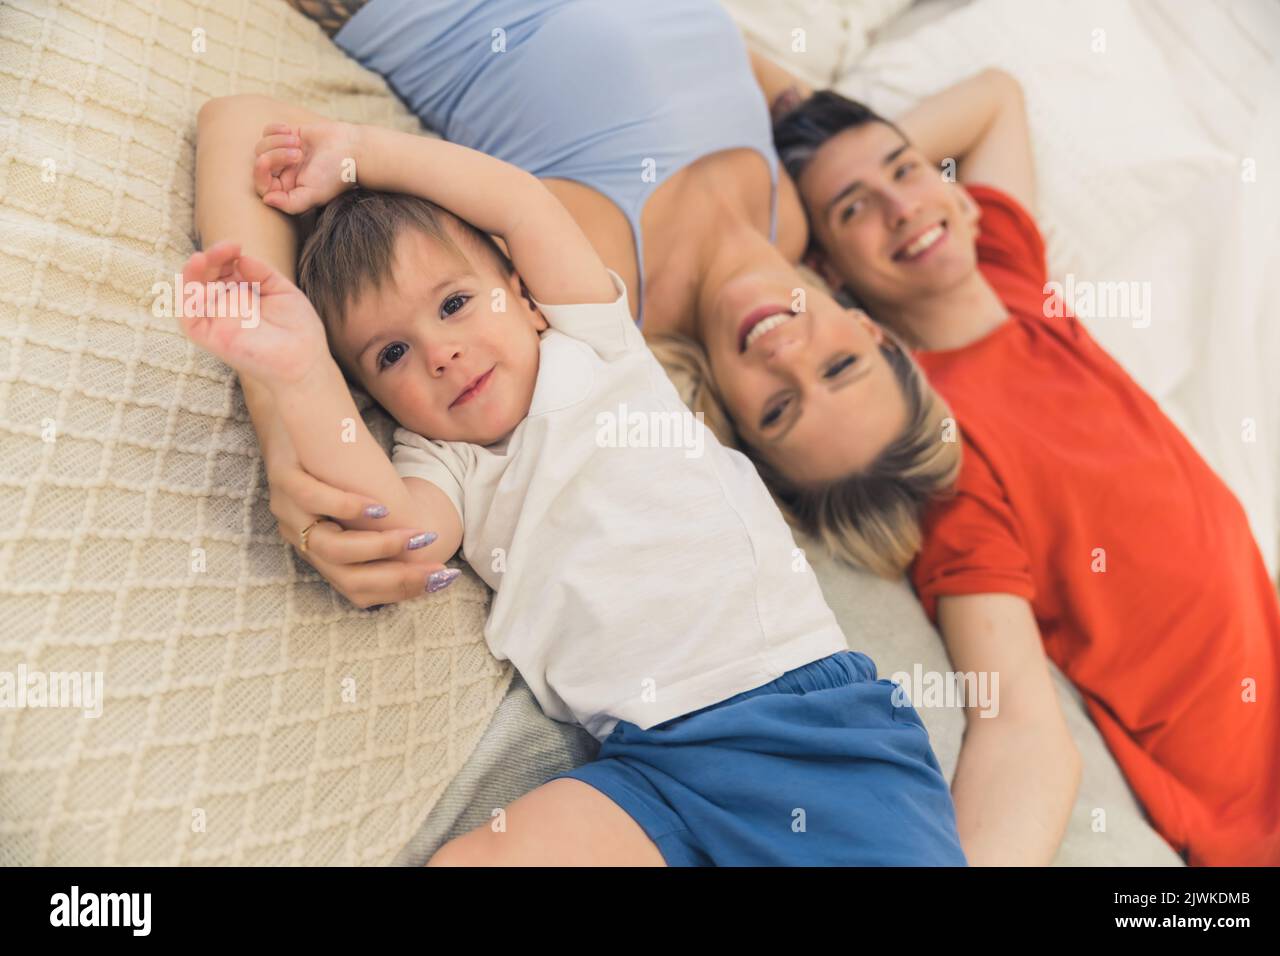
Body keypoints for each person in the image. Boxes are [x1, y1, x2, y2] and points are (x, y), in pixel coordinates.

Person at [174, 116, 967, 866]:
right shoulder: (439, 461)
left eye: (454, 305)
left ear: (522, 294)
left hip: (804, 727)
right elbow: (395, 537)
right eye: (390, 355)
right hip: (650, 772)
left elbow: (519, 202)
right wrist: (301, 369)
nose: (441, 354)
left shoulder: (593, 343)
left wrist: (358, 154)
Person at [190, 0, 963, 611]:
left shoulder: (585, 285)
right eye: (839, 365)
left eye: (780, 410)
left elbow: (244, 129)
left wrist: (278, 409)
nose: (786, 354)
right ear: (870, 329)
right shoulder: (795, 216)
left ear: (736, 428)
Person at [764, 70, 1280, 866]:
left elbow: (995, 96)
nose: (903, 207)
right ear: (830, 274)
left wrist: (797, 108)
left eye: (908, 171)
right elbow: (1014, 722)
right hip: (1255, 829)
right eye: (854, 211)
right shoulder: (939, 445)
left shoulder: (1009, 271)